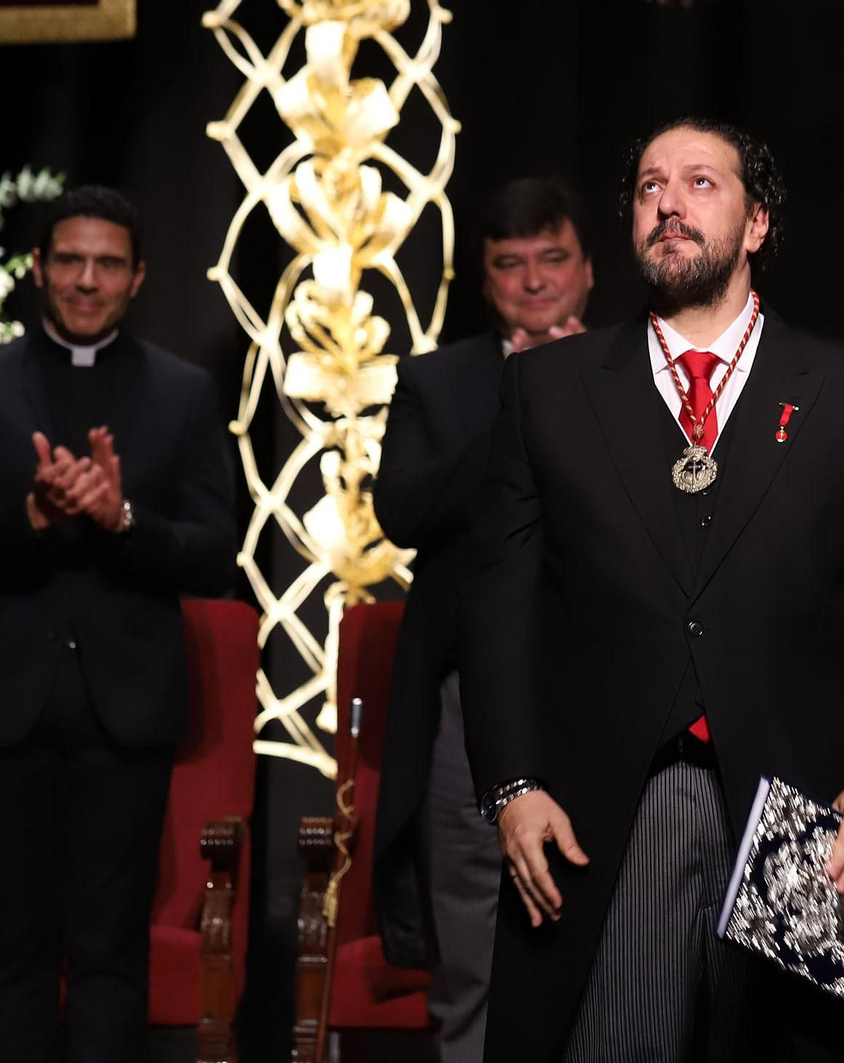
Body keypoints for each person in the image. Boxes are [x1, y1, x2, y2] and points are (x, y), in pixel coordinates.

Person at [460, 117, 844, 1063]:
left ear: (758, 222)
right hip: (600, 810)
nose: (669, 204)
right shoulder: (547, 389)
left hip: (802, 812)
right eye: (650, 187)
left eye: (699, 183)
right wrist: (513, 786)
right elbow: (497, 608)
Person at [0, 185, 236, 1063]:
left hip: (123, 708)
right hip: (1, 708)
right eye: (69, 260)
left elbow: (215, 555)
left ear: (138, 277)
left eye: (106, 264)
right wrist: (29, 517)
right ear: (38, 269)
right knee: (16, 954)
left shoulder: (182, 392)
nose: (86, 280)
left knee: (109, 954)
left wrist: (120, 519)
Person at [372, 176, 594, 1062]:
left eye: (552, 258)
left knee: (613, 948)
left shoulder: (641, 366)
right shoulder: (438, 380)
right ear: (485, 278)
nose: (534, 280)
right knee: (472, 950)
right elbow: (402, 512)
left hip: (608, 683)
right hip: (475, 692)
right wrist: (520, 397)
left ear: (588, 269)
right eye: (510, 263)